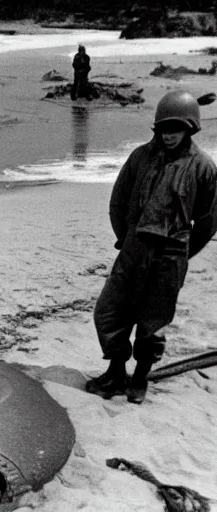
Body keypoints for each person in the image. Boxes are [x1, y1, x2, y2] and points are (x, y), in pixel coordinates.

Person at [86, 90, 217, 404]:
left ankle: (140, 377)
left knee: (152, 324)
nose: (169, 134)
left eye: (177, 128)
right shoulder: (139, 157)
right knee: (108, 314)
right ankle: (116, 372)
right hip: (132, 250)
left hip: (170, 257)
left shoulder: (203, 166)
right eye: (164, 128)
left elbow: (208, 222)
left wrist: (181, 253)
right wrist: (125, 239)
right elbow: (118, 201)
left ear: (190, 129)